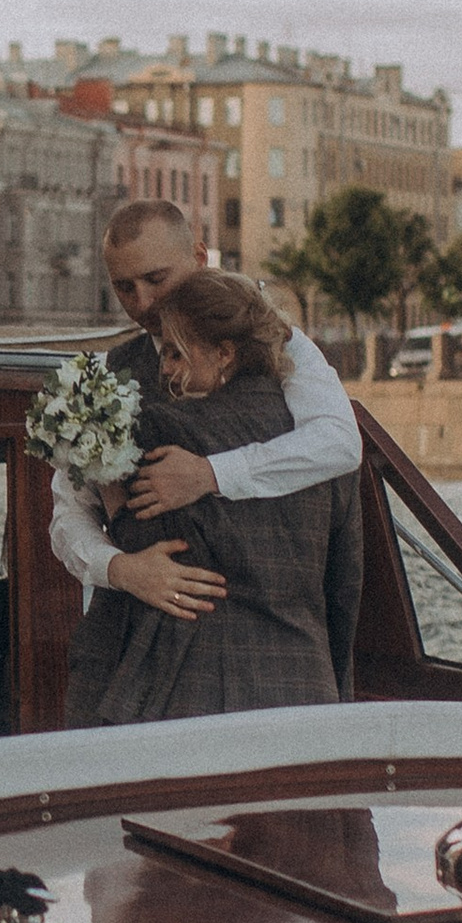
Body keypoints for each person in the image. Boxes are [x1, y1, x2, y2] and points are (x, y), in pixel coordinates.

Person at [49, 198, 360, 641]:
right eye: (124, 288)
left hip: (272, 631)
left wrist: (208, 474)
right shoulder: (100, 377)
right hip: (142, 635)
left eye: (157, 279)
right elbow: (69, 514)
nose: (144, 302)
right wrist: (122, 570)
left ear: (198, 258)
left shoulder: (281, 345)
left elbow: (339, 442)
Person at [67, 271, 359, 726]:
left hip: (200, 688)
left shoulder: (166, 432)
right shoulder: (325, 438)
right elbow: (346, 579)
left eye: (174, 353)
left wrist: (108, 488)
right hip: (306, 680)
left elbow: (136, 534)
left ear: (224, 353)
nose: (165, 370)